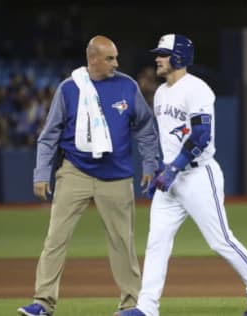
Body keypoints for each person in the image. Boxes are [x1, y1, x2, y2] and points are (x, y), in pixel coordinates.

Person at [115, 34, 247, 316]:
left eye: (163, 54)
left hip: (198, 175)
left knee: (220, 240)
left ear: (178, 57)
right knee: (157, 242)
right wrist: (160, 170)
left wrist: (174, 168)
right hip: (171, 178)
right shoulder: (162, 92)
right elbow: (166, 138)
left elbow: (201, 136)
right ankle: (147, 308)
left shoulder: (197, 89)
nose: (157, 58)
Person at [17, 35, 160, 316]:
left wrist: (151, 164)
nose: (116, 63)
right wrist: (41, 173)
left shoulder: (127, 85)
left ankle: (131, 304)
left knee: (123, 241)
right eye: (110, 58)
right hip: (75, 172)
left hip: (117, 175)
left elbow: (145, 128)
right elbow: (50, 136)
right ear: (92, 59)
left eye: (116, 57)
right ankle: (43, 303)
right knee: (55, 238)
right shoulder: (70, 89)